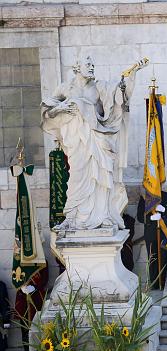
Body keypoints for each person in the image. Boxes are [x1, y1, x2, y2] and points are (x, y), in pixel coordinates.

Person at [41, 55, 147, 230]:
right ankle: (73, 216)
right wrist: (60, 108)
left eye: (93, 65)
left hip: (98, 137)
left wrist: (132, 74)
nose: (91, 67)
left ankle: (103, 214)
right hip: (75, 139)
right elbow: (47, 110)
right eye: (88, 64)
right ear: (77, 68)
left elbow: (120, 97)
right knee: (77, 175)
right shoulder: (65, 88)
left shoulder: (99, 87)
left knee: (102, 176)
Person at [137, 191, 167, 289]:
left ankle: (162, 282)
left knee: (163, 257)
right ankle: (154, 283)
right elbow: (140, 217)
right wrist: (151, 218)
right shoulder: (145, 197)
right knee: (152, 257)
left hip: (164, 232)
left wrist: (163, 210)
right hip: (150, 232)